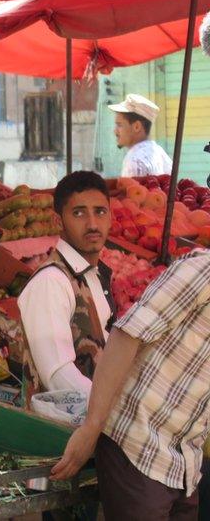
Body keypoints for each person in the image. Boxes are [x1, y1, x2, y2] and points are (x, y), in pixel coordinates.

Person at [52, 247, 210, 520]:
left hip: (185, 463)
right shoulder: (202, 271)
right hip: (138, 446)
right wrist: (92, 427)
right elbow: (127, 335)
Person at [18, 171, 115, 395]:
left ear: (111, 217)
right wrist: (110, 411)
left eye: (100, 212)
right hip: (62, 427)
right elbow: (57, 376)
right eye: (79, 213)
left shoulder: (93, 274)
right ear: (58, 221)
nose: (92, 224)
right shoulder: (50, 282)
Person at [109, 93, 172, 177]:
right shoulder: (159, 152)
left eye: (119, 125)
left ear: (137, 127)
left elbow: (133, 190)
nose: (115, 131)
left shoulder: (135, 160)